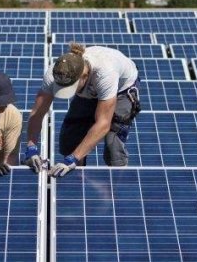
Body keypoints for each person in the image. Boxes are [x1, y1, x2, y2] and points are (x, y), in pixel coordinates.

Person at [24, 43, 141, 177]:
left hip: (121, 90)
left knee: (112, 145)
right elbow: (37, 113)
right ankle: (78, 185)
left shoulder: (105, 74)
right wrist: (31, 148)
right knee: (70, 141)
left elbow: (103, 124)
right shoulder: (55, 73)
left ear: (84, 77)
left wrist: (73, 158)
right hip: (89, 90)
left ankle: (118, 184)